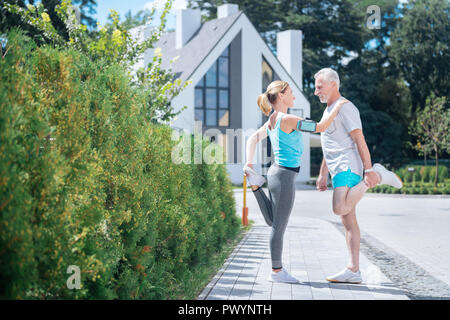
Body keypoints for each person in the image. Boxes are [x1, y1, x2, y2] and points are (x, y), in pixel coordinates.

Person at [244, 80, 348, 283]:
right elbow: (320, 127)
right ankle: (276, 271)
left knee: (273, 221)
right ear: (281, 96)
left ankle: (256, 186)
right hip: (283, 177)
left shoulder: (273, 119)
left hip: (276, 174)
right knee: (277, 226)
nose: (293, 96)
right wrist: (337, 106)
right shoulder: (288, 119)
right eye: (290, 93)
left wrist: (249, 162)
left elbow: (252, 138)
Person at [314, 68, 403, 284]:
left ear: (333, 84)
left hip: (347, 166)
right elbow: (329, 146)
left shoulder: (346, 108)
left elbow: (359, 139)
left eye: (319, 86)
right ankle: (353, 270)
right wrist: (322, 174)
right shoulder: (328, 111)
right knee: (349, 222)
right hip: (337, 169)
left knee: (338, 208)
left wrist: (369, 169)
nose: (316, 91)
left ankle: (379, 176)